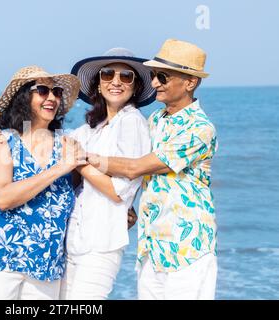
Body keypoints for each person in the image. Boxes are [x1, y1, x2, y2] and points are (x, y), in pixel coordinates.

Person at [0, 48, 156, 299]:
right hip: (71, 241)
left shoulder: (131, 121)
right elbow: (47, 139)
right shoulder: (91, 129)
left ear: (136, 86)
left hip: (101, 241)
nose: (116, 81)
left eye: (126, 76)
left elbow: (118, 190)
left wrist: (79, 164)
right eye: (107, 74)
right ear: (98, 83)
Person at [85, 39, 219, 300]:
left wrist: (84, 158)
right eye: (154, 76)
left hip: (187, 247)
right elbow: (141, 174)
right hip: (151, 247)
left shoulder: (200, 129)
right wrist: (129, 206)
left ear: (190, 82)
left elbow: (135, 167)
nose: (155, 83)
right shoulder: (156, 120)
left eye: (163, 77)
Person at [0, 66, 84, 300]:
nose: (51, 98)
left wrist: (124, 210)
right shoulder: (2, 140)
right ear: (24, 97)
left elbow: (83, 193)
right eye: (42, 91)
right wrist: (60, 168)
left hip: (46, 265)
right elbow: (3, 198)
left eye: (56, 92)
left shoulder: (68, 145)